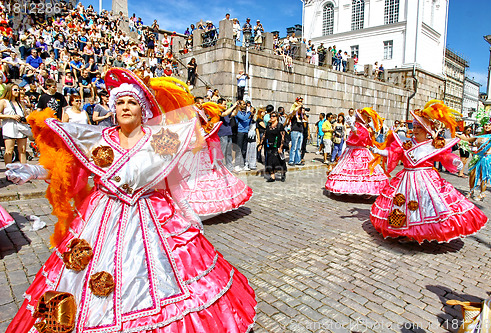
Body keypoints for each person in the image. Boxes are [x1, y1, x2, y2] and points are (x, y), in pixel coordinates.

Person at [5, 69, 257, 333]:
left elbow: (173, 181)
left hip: (151, 216)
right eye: (120, 102)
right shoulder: (98, 138)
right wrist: (33, 171)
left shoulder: (161, 140)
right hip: (101, 220)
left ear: (143, 109)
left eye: (132, 102)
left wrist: (188, 213)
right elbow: (68, 167)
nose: (125, 107)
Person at [370, 100, 487, 243]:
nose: (416, 129)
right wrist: (379, 151)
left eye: (419, 127)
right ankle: (406, 232)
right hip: (405, 178)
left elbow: (443, 156)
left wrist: (454, 161)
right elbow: (395, 153)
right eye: (415, 126)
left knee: (426, 205)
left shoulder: (432, 145)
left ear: (426, 129)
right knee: (402, 205)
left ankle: (422, 232)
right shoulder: (407, 143)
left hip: (425, 178)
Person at [325, 107, 389, 196]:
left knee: (362, 172)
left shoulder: (363, 127)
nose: (357, 118)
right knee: (350, 171)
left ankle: (365, 190)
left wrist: (352, 126)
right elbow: (356, 134)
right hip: (352, 150)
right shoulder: (359, 126)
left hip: (360, 151)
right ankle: (347, 189)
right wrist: (352, 126)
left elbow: (359, 134)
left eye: (358, 117)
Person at [458, 107, 491, 201]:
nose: (487, 126)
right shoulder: (479, 135)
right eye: (485, 125)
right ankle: (471, 191)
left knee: (483, 175)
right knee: (472, 174)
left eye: (489, 125)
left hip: (486, 157)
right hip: (476, 157)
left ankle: (482, 193)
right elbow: (468, 139)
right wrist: (456, 135)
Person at [0, 84, 29, 164]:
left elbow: (26, 116)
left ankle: (24, 170)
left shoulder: (20, 103)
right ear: (9, 90)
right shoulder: (3, 102)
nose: (17, 92)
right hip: (9, 127)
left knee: (22, 150)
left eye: (18, 90)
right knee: (9, 150)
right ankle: (9, 171)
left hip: (21, 127)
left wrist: (25, 120)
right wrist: (11, 116)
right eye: (15, 90)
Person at [258, 111, 287, 182]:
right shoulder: (268, 125)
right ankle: (272, 176)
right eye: (271, 116)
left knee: (279, 161)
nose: (272, 117)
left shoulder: (280, 126)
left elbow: (283, 137)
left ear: (277, 117)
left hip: (277, 145)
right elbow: (264, 135)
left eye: (273, 116)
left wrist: (281, 147)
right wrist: (261, 144)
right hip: (269, 145)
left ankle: (283, 173)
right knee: (270, 161)